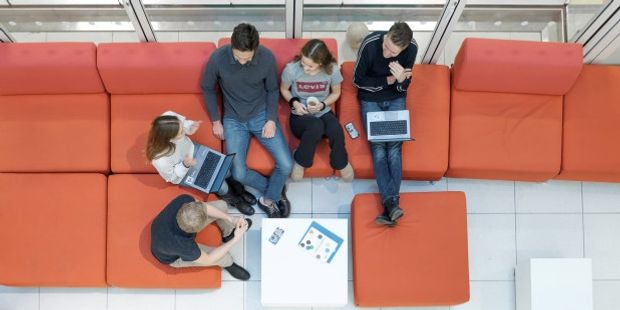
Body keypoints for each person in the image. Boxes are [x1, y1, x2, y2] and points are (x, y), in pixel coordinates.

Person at [201, 23, 293, 218]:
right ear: (231, 46)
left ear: (256, 49)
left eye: (247, 58)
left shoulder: (267, 57)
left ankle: (268, 199)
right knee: (239, 174)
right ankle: (275, 192)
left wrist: (270, 120)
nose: (242, 62)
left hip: (261, 115)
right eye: (238, 57)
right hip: (234, 120)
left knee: (286, 164)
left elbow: (272, 90)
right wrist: (216, 121)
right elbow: (207, 88)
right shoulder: (218, 58)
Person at [353, 22, 417, 226]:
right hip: (370, 99)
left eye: (393, 51)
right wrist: (391, 80)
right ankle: (392, 205)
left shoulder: (412, 48)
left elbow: (404, 85)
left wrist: (401, 81)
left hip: (396, 98)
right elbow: (357, 80)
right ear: (386, 35)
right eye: (386, 46)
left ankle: (391, 205)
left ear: (404, 49)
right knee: (379, 149)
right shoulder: (371, 44)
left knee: (395, 150)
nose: (387, 52)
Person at [146, 111, 257, 216]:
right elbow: (172, 177)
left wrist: (190, 126)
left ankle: (240, 191)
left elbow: (184, 124)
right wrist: (185, 165)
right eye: (180, 133)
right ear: (169, 138)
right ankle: (236, 201)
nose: (183, 132)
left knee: (226, 170)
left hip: (194, 150)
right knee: (221, 186)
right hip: (184, 172)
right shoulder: (160, 158)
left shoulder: (169, 116)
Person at [280, 39, 354, 182]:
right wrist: (294, 102)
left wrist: (322, 104)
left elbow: (336, 93)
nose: (305, 68)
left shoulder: (331, 70)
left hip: (322, 111)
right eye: (303, 63)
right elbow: (284, 89)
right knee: (316, 126)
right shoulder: (291, 69)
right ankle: (301, 161)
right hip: (300, 116)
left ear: (321, 64)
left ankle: (341, 162)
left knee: (336, 129)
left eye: (310, 66)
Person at [150, 194, 251, 280]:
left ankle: (228, 233)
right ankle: (228, 264)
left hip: (163, 229)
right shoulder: (185, 246)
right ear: (196, 230)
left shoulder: (184, 200)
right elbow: (208, 259)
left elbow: (203, 207)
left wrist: (231, 218)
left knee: (222, 205)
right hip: (173, 256)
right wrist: (235, 239)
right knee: (225, 258)